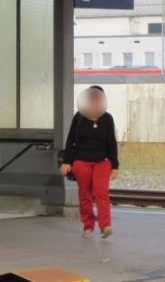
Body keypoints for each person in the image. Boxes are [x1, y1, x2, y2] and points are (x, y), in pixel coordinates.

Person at [60, 85, 119, 239]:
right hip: (81, 162)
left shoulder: (107, 119)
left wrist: (115, 166)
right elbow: (71, 140)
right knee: (85, 195)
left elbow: (111, 142)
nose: (95, 102)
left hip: (102, 162)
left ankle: (105, 225)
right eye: (92, 99)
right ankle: (88, 226)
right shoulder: (78, 117)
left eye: (98, 99)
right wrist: (67, 161)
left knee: (101, 193)